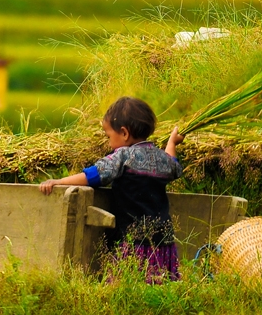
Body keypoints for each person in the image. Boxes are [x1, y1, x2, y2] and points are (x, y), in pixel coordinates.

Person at [39, 97, 185, 283]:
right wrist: (172, 143)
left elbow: (93, 176)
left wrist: (59, 181)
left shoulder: (123, 156)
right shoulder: (162, 158)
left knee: (124, 285)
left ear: (124, 133)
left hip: (133, 242)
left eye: (109, 136)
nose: (109, 143)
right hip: (163, 241)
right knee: (159, 284)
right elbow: (173, 165)